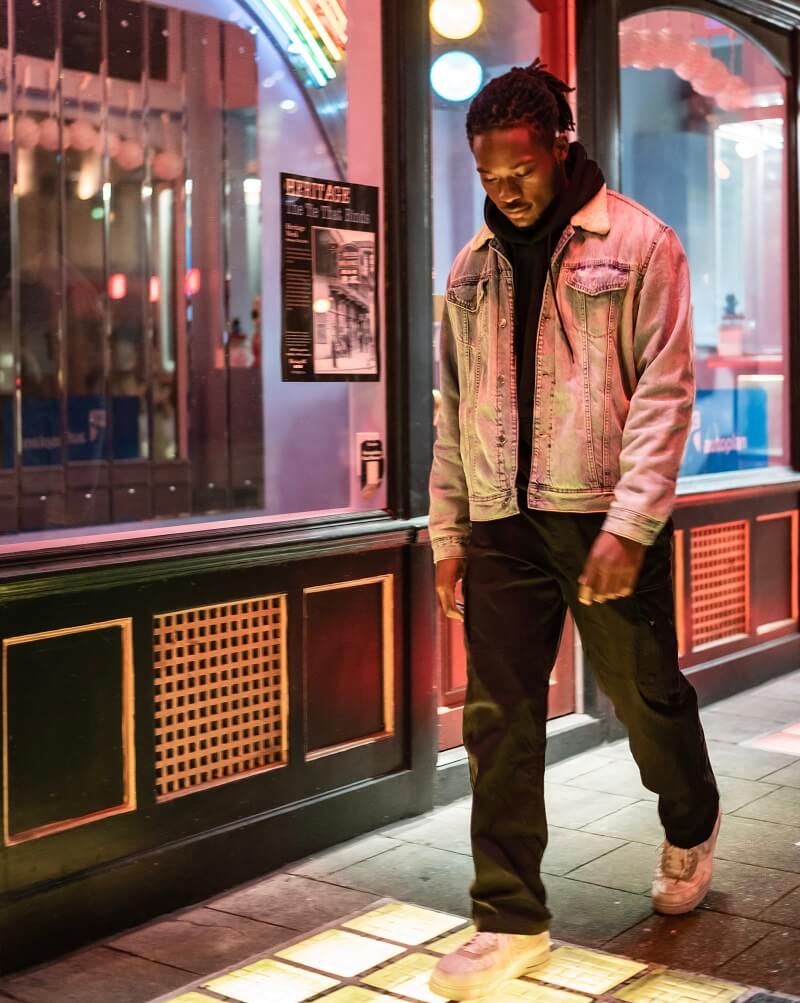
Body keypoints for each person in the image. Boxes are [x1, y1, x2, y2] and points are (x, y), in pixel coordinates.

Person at [427, 60, 720, 1002]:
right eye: (486, 175)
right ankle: (508, 916)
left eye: (518, 168)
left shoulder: (640, 245)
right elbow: (452, 408)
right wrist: (448, 531)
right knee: (498, 722)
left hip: (602, 512)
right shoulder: (470, 270)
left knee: (644, 697)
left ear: (561, 145)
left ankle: (690, 815)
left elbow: (666, 395)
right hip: (502, 523)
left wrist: (632, 523)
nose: (503, 189)